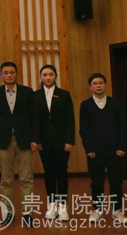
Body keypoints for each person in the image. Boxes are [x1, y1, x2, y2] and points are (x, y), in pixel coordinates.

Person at [0, 61, 39, 226]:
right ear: (1, 75)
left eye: (12, 72)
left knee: (27, 178)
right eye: (6, 73)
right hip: (4, 141)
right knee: (6, 179)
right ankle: (8, 212)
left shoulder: (27, 92)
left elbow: (34, 117)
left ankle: (27, 213)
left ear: (17, 74)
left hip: (25, 140)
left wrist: (35, 139)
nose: (9, 75)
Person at [79, 73, 127, 225]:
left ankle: (117, 210)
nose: (98, 85)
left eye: (101, 82)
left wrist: (121, 146)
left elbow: (123, 126)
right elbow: (83, 129)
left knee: (116, 182)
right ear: (90, 87)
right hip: (95, 151)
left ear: (106, 84)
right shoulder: (85, 105)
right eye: (95, 83)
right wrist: (88, 148)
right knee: (96, 182)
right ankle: (98, 210)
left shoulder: (116, 103)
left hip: (115, 151)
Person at [34, 64, 74, 221]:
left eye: (51, 74)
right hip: (44, 142)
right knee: (49, 172)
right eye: (45, 75)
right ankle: (51, 205)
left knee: (62, 172)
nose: (48, 77)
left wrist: (69, 140)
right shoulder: (35, 95)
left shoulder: (64, 94)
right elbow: (34, 120)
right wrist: (36, 140)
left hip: (61, 141)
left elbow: (70, 119)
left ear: (55, 76)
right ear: (40, 77)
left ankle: (63, 206)